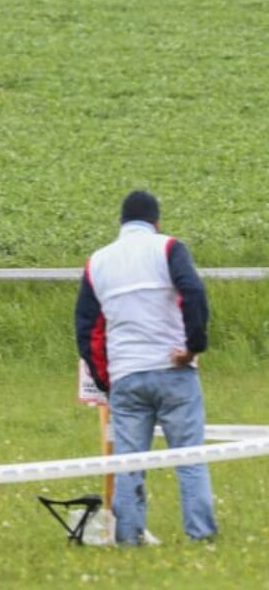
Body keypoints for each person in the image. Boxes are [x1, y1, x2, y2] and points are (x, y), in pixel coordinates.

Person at [75, 189, 216, 544]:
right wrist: (193, 346)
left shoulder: (98, 261)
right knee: (190, 459)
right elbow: (194, 293)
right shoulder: (168, 248)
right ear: (156, 221)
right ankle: (200, 535)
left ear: (121, 222)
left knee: (128, 466)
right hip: (173, 371)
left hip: (126, 376)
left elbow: (87, 329)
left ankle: (127, 537)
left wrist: (107, 379)